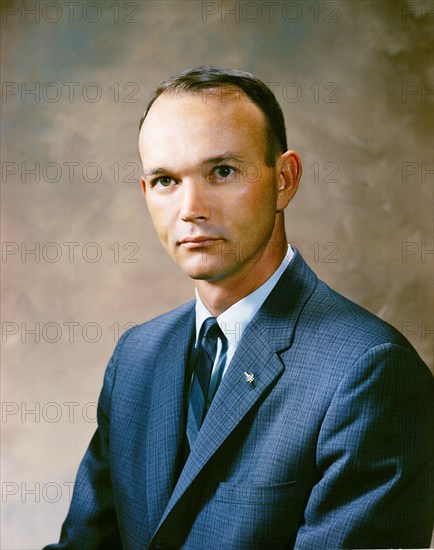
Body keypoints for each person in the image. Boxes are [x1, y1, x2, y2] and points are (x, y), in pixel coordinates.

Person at [44, 66, 434, 549]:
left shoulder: (370, 371)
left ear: (285, 179)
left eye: (222, 172)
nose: (191, 208)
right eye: (166, 180)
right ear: (146, 193)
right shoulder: (136, 358)